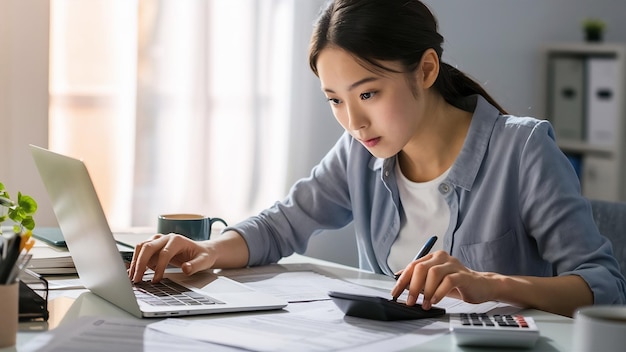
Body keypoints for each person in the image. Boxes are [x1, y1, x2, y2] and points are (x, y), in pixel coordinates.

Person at [129, 0, 626, 318]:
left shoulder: (523, 150)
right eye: (335, 100)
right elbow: (282, 225)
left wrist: (487, 284)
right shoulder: (360, 152)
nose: (353, 122)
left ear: (425, 69)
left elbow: (602, 287)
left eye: (368, 93)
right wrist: (207, 252)